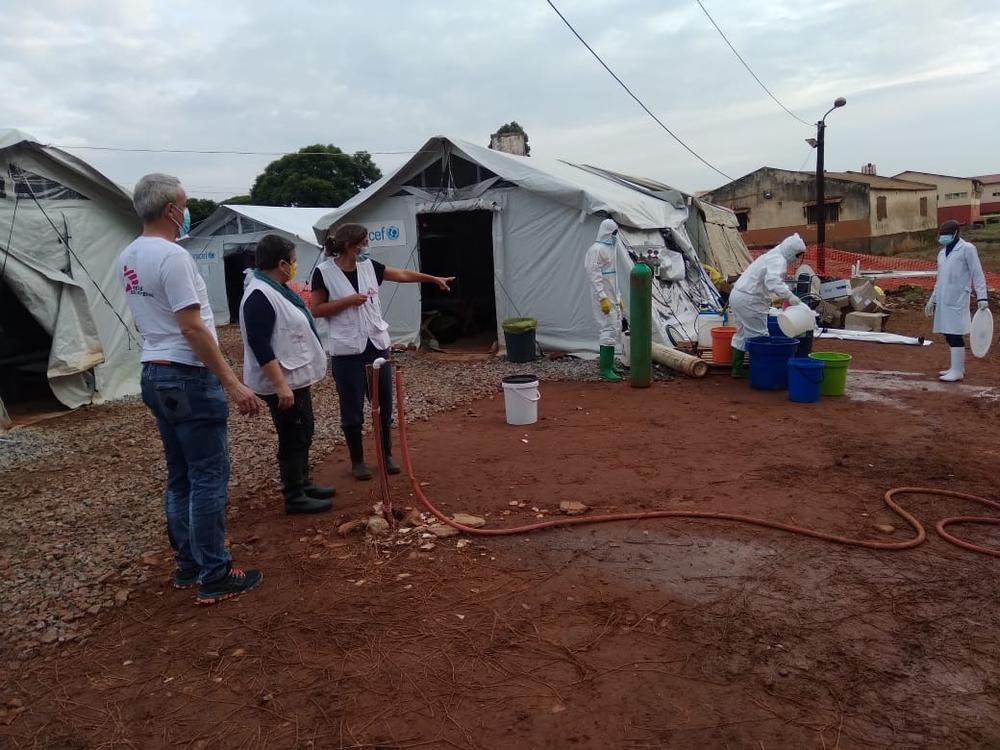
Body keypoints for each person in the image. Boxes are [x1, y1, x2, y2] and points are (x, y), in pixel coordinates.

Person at [118, 173, 263, 606]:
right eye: (184, 205)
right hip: (186, 375)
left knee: (180, 475)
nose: (186, 212)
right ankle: (215, 574)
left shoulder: (128, 254)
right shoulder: (173, 256)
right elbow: (191, 326)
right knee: (207, 477)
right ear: (170, 210)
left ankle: (188, 564)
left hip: (153, 372)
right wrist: (231, 381)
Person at [310, 223, 455, 480]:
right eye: (363, 243)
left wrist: (432, 279)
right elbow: (317, 309)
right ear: (349, 245)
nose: (366, 247)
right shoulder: (324, 272)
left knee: (383, 403)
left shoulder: (369, 266)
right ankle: (357, 461)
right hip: (347, 351)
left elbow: (400, 274)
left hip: (376, 345)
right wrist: (347, 302)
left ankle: (386, 454)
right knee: (352, 407)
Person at [239, 234, 333, 514]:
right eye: (293, 261)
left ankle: (303, 482)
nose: (295, 265)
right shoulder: (259, 295)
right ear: (281, 263)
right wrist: (280, 386)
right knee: (292, 434)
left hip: (295, 374)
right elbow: (259, 344)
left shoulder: (275, 287)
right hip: (282, 380)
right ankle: (294, 495)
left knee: (305, 429)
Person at [728, 233, 806, 378]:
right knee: (760, 336)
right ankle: (761, 372)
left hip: (738, 295)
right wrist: (790, 296)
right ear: (791, 251)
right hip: (750, 300)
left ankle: (737, 369)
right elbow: (773, 282)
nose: (796, 258)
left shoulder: (772, 255)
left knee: (742, 333)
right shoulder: (778, 259)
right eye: (797, 255)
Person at [925, 219, 989, 382]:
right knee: (948, 333)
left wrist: (982, 296)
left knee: (955, 334)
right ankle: (955, 367)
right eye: (941, 235)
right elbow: (940, 279)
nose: (943, 238)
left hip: (958, 298)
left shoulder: (967, 249)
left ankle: (958, 371)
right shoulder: (942, 253)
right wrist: (933, 299)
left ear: (955, 234)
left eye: (946, 235)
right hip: (943, 299)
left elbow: (977, 273)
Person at [584, 218, 625, 381]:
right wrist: (602, 298)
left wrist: (619, 297)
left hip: (612, 294)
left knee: (615, 328)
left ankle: (610, 364)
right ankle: (605, 368)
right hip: (602, 295)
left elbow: (613, 277)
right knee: (607, 328)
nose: (615, 236)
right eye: (614, 232)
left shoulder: (610, 248)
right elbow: (594, 275)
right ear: (608, 232)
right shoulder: (596, 249)